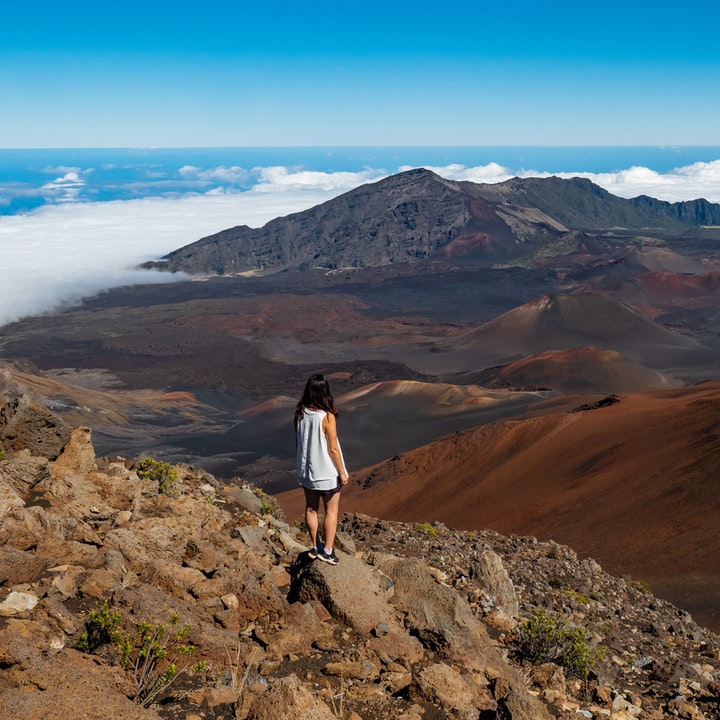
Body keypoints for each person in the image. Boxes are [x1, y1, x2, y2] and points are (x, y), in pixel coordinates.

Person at [294, 374, 349, 565]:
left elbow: (298, 443)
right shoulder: (327, 417)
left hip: (306, 471)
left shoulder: (300, 413)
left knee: (311, 509)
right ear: (325, 392)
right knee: (331, 511)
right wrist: (342, 472)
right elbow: (333, 448)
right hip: (326, 473)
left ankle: (315, 546)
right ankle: (327, 551)